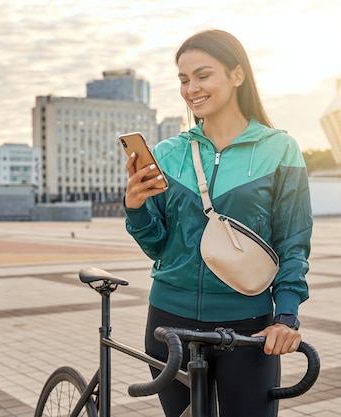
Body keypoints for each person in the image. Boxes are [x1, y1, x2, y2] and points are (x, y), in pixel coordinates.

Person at [123, 29, 312, 417]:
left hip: (245, 325)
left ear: (237, 75)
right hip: (168, 323)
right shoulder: (168, 152)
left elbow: (293, 239)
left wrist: (287, 315)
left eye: (203, 75)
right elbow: (158, 246)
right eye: (183, 79)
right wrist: (136, 207)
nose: (191, 88)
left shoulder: (279, 149)